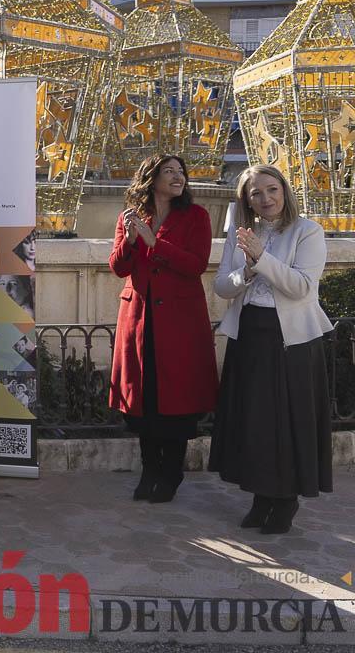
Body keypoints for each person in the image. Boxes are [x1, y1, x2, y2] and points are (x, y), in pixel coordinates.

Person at [210, 165, 332, 534]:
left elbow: (301, 287)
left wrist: (262, 258)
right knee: (253, 420)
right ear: (246, 201)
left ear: (284, 191)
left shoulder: (307, 231)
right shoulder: (241, 234)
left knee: (284, 421)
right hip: (250, 333)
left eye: (272, 189)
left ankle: (285, 499)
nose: (265, 199)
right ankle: (260, 496)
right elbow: (222, 286)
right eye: (256, 193)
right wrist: (247, 271)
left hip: (291, 340)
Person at [108, 154, 217, 503]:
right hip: (140, 320)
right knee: (145, 399)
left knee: (177, 401)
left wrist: (155, 243)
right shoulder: (131, 216)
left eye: (181, 171)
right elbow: (118, 268)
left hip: (180, 323)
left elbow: (196, 265)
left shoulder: (196, 216)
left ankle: (171, 473)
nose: (178, 176)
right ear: (150, 178)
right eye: (169, 171)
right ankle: (149, 470)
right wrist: (130, 238)